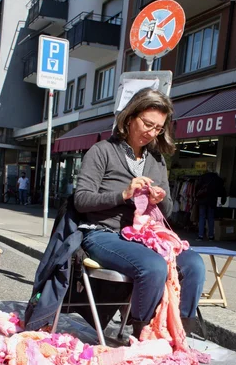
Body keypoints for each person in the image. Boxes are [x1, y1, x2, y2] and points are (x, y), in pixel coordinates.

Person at [74, 88, 206, 338]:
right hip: (104, 233)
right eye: (147, 124)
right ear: (129, 117)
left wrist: (160, 200)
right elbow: (81, 201)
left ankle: (179, 335)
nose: (152, 132)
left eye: (158, 128)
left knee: (194, 265)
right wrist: (123, 194)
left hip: (145, 235)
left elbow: (169, 212)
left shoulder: (156, 159)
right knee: (153, 267)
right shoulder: (102, 151)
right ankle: (143, 334)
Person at [196, 171, 227, 241]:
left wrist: (197, 198)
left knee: (202, 217)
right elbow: (222, 191)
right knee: (211, 217)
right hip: (212, 201)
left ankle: (200, 235)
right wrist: (222, 201)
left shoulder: (202, 178)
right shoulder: (218, 180)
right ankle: (211, 236)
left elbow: (197, 188)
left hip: (202, 200)